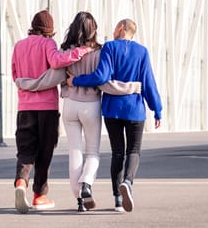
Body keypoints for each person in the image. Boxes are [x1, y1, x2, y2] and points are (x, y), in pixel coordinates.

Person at [15, 12, 141, 212]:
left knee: (74, 152)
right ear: (94, 30)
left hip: (69, 106)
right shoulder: (100, 52)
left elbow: (53, 74)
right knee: (92, 152)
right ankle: (86, 186)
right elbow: (103, 80)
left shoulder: (64, 51)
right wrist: (132, 87)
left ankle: (79, 200)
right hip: (90, 105)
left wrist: (25, 83)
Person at [67, 18, 162, 213]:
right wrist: (157, 109)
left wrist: (76, 80)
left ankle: (118, 200)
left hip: (112, 109)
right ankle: (127, 181)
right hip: (135, 109)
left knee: (118, 152)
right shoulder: (142, 52)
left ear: (120, 28)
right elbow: (149, 82)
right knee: (134, 151)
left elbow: (101, 76)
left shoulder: (109, 48)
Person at [11, 9, 92, 214]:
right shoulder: (48, 44)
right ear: (50, 30)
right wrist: (82, 51)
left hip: (25, 108)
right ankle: (40, 195)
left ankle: (21, 182)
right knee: (45, 151)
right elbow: (57, 61)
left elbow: (14, 73)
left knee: (26, 149)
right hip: (46, 107)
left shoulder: (19, 46)